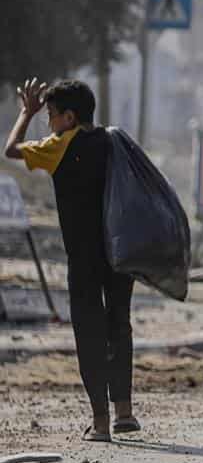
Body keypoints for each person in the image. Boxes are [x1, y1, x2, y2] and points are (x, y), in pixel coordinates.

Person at [5, 78, 136, 443]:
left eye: (49, 115)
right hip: (120, 252)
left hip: (84, 255)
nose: (48, 122)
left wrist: (24, 113)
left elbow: (11, 150)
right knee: (118, 325)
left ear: (68, 117)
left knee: (90, 331)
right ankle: (125, 410)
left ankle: (101, 422)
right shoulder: (115, 141)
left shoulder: (61, 145)